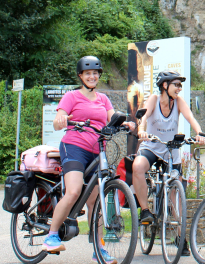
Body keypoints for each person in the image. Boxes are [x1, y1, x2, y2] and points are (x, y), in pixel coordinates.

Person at [42, 56, 135, 264]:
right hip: (74, 147)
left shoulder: (103, 99)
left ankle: (99, 249)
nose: (92, 76)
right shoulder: (72, 96)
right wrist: (60, 119)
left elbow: (113, 117)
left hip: (98, 151)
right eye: (88, 73)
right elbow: (59, 120)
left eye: (95, 73)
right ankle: (51, 236)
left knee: (96, 201)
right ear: (81, 76)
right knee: (74, 191)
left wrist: (127, 124)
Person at [133, 70, 205, 255]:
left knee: (175, 194)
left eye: (180, 85)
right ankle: (145, 211)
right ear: (165, 85)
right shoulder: (154, 100)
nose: (179, 88)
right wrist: (142, 130)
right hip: (152, 146)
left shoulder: (178, 102)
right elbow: (143, 117)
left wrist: (199, 133)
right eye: (176, 85)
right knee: (138, 166)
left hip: (170, 150)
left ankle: (181, 239)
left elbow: (190, 118)